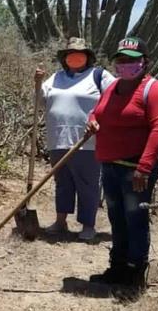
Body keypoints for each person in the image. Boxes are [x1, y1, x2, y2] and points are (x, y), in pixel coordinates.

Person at [86, 37, 158, 290]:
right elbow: (98, 112)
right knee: (117, 218)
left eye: (132, 60)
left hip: (135, 169)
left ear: (145, 62)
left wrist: (144, 168)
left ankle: (135, 274)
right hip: (110, 165)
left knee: (135, 219)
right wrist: (92, 121)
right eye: (121, 60)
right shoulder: (113, 88)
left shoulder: (154, 90)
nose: (125, 65)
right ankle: (118, 267)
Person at [36, 37, 115, 241]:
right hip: (58, 139)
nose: (75, 57)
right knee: (63, 182)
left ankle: (88, 225)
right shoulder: (56, 77)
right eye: (71, 54)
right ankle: (60, 221)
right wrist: (37, 82)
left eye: (80, 54)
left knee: (88, 184)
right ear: (65, 58)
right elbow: (40, 100)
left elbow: (114, 97)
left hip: (87, 142)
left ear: (87, 57)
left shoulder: (99, 76)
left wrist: (99, 121)